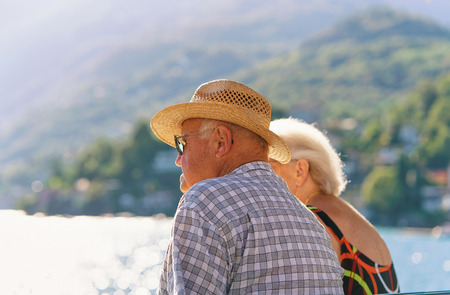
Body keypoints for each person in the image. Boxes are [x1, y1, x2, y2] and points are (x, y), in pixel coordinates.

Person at [150, 79, 344, 294]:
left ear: (220, 141)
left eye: (182, 143)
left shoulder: (205, 201)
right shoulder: (309, 220)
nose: (178, 159)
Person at [269, 117, 400, 295]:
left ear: (300, 170)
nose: (262, 177)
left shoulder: (314, 220)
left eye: (270, 167)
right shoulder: (343, 213)